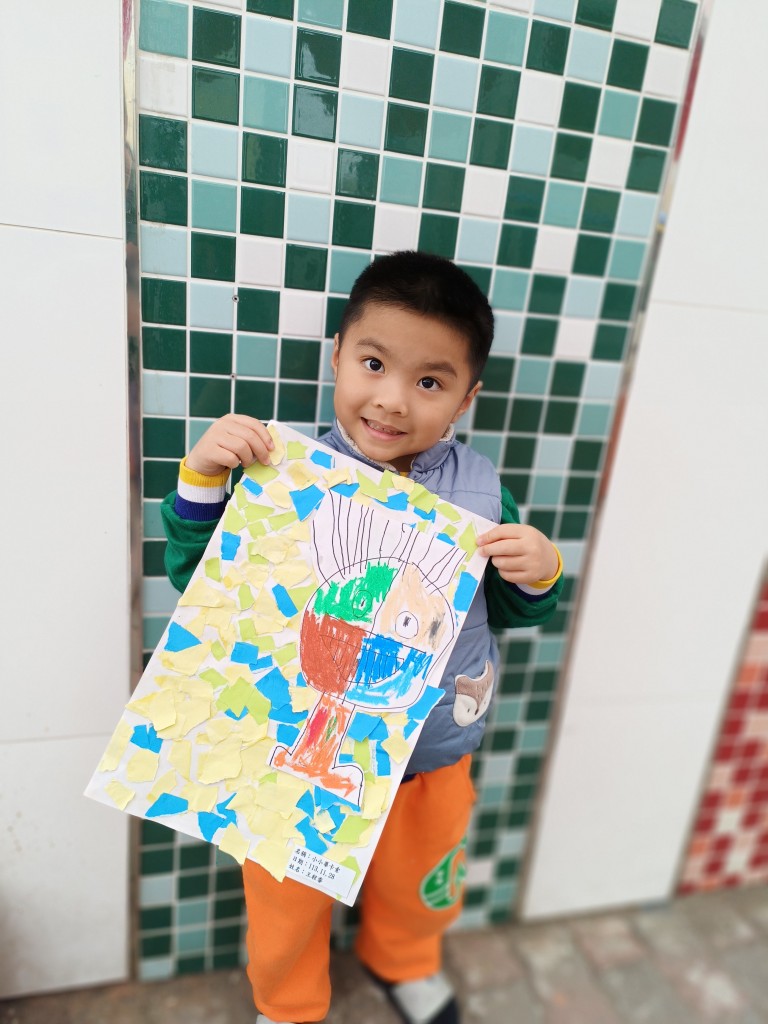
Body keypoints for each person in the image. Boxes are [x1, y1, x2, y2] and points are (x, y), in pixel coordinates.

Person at [161, 251, 563, 1024]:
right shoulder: (286, 475)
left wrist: (540, 572)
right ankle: (286, 1004)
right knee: (284, 901)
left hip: (431, 761)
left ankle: (404, 962)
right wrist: (203, 481)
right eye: (373, 364)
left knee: (420, 887)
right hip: (297, 756)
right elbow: (204, 584)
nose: (392, 400)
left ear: (467, 398)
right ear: (338, 355)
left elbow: (509, 612)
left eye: (430, 382)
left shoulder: (482, 492)